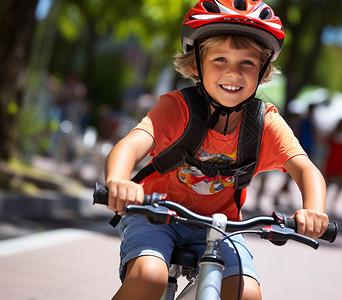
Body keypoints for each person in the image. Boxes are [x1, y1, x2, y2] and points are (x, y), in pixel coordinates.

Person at [104, 1, 329, 299]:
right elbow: (130, 146)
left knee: (246, 294)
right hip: (155, 215)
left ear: (263, 72)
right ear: (196, 64)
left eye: (247, 62)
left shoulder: (265, 124)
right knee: (149, 276)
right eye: (220, 59)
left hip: (220, 227)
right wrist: (119, 182)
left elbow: (306, 169)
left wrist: (314, 210)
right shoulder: (177, 108)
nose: (233, 73)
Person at [323, 118, 342, 214]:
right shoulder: (333, 135)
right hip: (333, 159)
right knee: (328, 183)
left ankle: (333, 202)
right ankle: (322, 202)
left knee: (341, 182)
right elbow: (325, 143)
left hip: (341, 161)